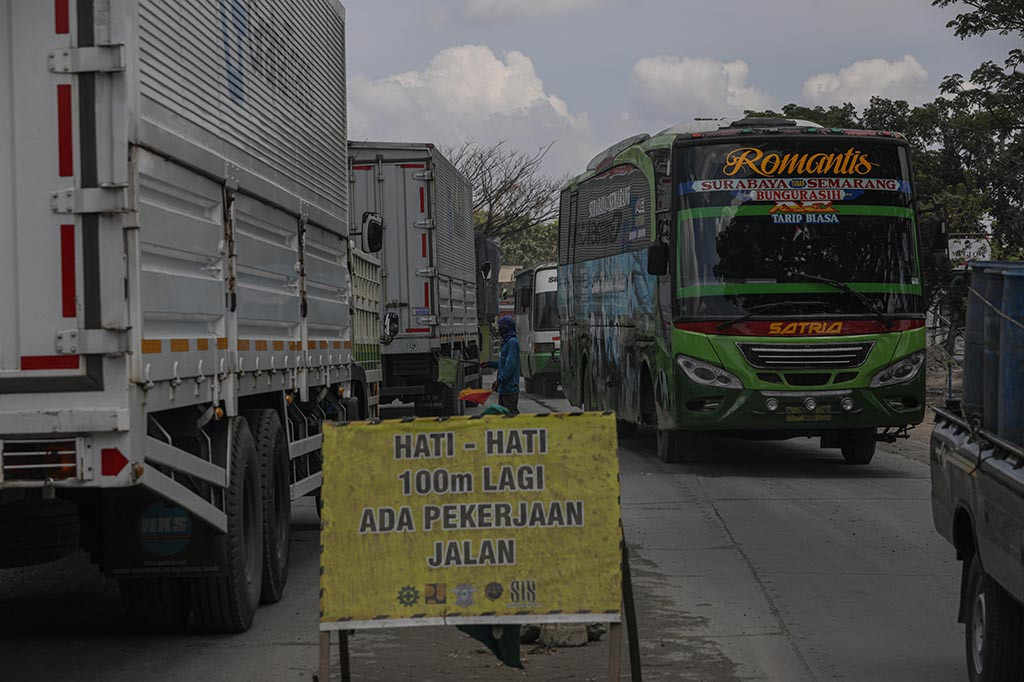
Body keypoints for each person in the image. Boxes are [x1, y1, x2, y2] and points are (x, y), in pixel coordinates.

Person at [483, 316, 521, 414]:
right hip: (504, 389)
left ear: (505, 328)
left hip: (510, 389)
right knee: (502, 416)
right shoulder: (506, 342)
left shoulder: (512, 343)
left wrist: (500, 380)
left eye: (500, 327)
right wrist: (489, 364)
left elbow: (510, 365)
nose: (498, 330)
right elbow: (502, 363)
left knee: (511, 415)